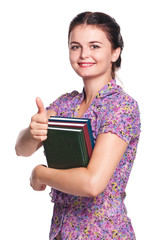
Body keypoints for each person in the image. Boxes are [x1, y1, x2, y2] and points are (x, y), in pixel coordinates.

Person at [15, 11, 141, 240]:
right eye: (75, 46)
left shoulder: (121, 107)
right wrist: (33, 131)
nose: (84, 54)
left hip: (104, 233)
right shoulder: (66, 103)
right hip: (62, 232)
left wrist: (40, 173)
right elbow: (21, 149)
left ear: (115, 52)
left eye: (94, 46)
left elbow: (92, 183)